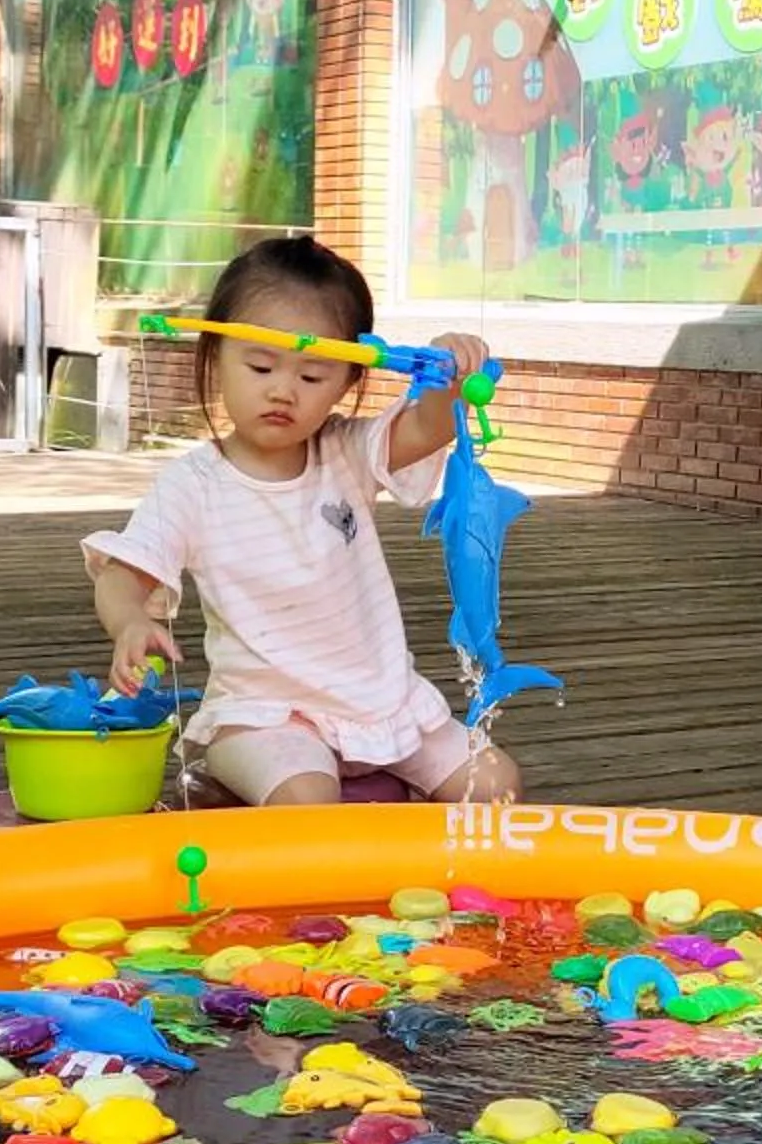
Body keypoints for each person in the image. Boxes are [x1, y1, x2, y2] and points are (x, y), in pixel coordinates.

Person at [85, 234, 523, 807]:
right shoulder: (193, 485)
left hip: (381, 703)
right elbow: (124, 575)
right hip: (263, 715)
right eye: (261, 365)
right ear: (216, 357)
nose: (283, 390)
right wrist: (128, 624)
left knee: (495, 784)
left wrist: (447, 380)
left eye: (313, 377)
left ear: (348, 381)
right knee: (307, 800)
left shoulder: (347, 452)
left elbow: (429, 428)